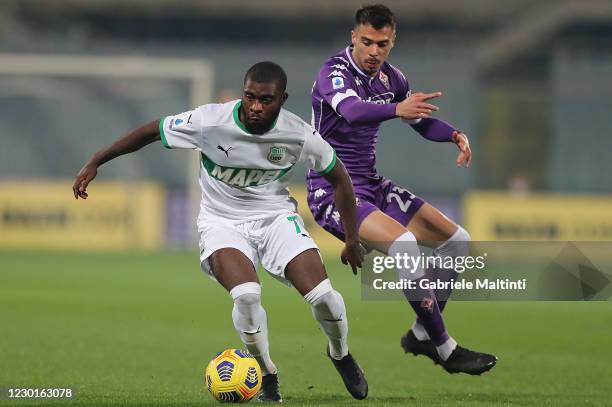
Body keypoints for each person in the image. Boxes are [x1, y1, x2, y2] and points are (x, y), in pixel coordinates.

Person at [73, 61, 368, 401]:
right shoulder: (210, 120)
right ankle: (265, 371)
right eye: (250, 97)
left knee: (324, 298)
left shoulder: (298, 134)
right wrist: (96, 159)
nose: (255, 106)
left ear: (282, 99)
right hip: (221, 222)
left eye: (266, 100)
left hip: (274, 218)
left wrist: (351, 238)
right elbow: (152, 131)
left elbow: (340, 178)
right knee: (246, 294)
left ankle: (340, 353)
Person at [307, 4, 497, 375]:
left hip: (372, 184)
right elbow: (352, 111)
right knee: (405, 246)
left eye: (382, 44)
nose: (373, 51)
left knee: (457, 240)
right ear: (354, 38)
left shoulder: (392, 79)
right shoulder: (334, 71)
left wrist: (454, 135)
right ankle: (445, 349)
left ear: (392, 42)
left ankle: (421, 335)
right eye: (366, 42)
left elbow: (421, 122)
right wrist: (398, 109)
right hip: (333, 191)